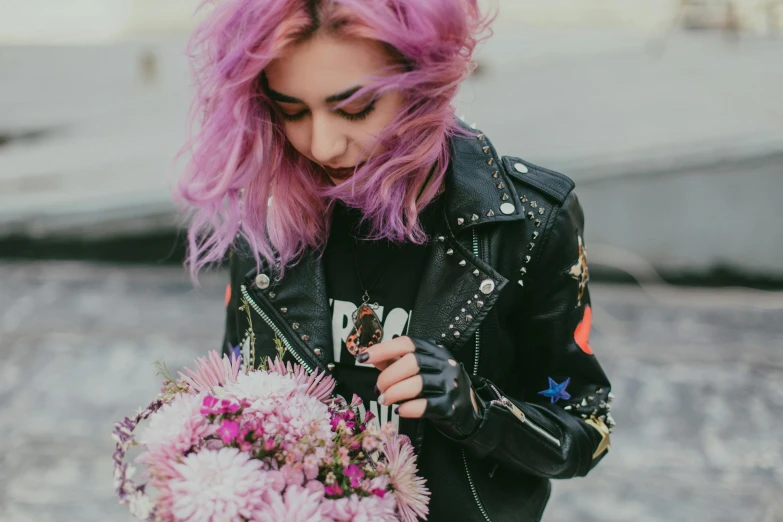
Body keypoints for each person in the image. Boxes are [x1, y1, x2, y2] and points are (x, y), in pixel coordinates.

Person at [176, 0, 615, 520]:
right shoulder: (268, 214)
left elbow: (586, 428)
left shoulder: (528, 222)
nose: (321, 142)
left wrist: (477, 410)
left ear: (421, 80)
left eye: (355, 107)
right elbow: (231, 398)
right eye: (291, 110)